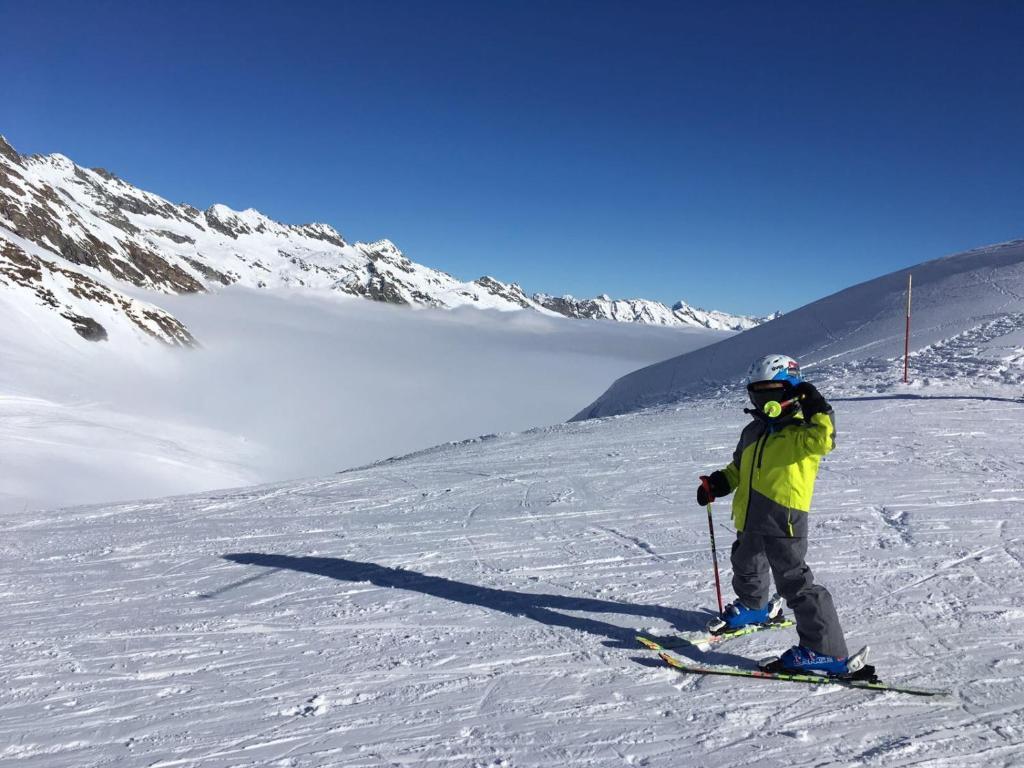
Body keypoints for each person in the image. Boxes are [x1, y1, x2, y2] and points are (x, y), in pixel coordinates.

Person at [696, 354, 866, 677]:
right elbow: (738, 468)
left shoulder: (803, 432)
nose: (764, 403)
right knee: (745, 562)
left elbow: (825, 439)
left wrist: (817, 405)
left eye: (771, 394)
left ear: (791, 392)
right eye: (758, 394)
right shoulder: (752, 431)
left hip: (784, 519)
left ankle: (825, 649)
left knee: (794, 582)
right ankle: (754, 607)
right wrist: (718, 484)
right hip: (750, 515)